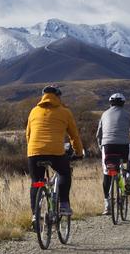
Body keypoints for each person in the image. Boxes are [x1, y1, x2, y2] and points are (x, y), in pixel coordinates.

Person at [26, 85, 84, 218]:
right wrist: (79, 152)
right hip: (55, 152)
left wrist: (32, 151)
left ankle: (35, 215)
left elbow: (28, 134)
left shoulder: (34, 111)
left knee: (36, 182)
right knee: (64, 173)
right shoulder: (65, 112)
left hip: (34, 151)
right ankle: (64, 204)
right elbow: (74, 136)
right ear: (58, 97)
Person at [96, 92, 130, 215]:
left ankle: (107, 205)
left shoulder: (104, 114)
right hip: (123, 147)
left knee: (107, 173)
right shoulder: (128, 115)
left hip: (107, 147)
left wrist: (101, 148)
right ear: (123, 103)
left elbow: (98, 135)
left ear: (110, 103)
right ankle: (128, 178)